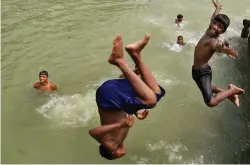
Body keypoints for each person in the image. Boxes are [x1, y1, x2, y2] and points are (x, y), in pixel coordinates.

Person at [89, 34, 165, 160]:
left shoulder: (111, 145)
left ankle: (119, 61)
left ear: (114, 154)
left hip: (109, 98)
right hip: (113, 98)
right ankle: (135, 54)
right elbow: (121, 114)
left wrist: (120, 125)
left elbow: (93, 132)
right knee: (155, 94)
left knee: (150, 101)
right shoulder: (118, 140)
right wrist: (136, 113)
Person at [192, 0, 244, 107]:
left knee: (211, 102)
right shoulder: (209, 30)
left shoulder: (213, 42)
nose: (215, 27)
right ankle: (231, 96)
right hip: (197, 71)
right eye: (215, 23)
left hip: (203, 72)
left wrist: (227, 50)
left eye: (220, 27)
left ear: (222, 31)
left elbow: (220, 48)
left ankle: (231, 91)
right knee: (207, 87)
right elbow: (214, 17)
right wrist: (217, 8)